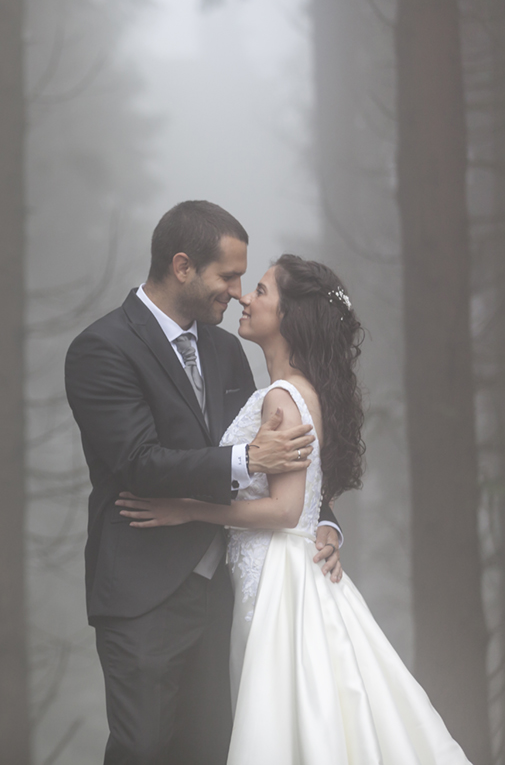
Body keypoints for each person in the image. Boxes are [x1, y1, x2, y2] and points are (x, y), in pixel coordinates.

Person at [116, 255, 471, 764]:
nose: (244, 297)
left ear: (289, 316)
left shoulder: (282, 396)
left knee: (286, 711)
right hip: (282, 567)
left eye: (260, 291)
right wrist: (323, 523)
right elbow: (301, 505)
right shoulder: (300, 391)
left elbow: (284, 510)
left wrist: (189, 509)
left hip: (278, 577)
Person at [65, 201, 343, 765]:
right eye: (229, 276)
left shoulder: (223, 348)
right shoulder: (101, 349)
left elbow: (282, 448)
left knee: (213, 750)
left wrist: (323, 518)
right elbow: (137, 461)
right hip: (145, 592)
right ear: (183, 266)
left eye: (246, 279)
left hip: (226, 594)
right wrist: (247, 458)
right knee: (142, 748)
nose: (239, 292)